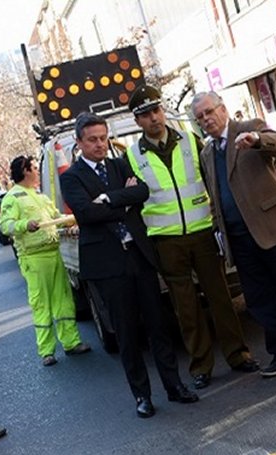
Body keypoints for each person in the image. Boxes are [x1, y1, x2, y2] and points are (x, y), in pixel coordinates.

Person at [59, 113, 199, 418]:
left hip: (139, 255)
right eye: (93, 139)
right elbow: (85, 214)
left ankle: (174, 386)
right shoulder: (71, 177)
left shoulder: (119, 165)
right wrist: (123, 202)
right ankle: (142, 395)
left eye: (103, 137)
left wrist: (108, 197)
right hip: (108, 264)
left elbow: (142, 192)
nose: (100, 144)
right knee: (127, 333)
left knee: (158, 326)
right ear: (79, 142)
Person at [124, 84, 260, 390]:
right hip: (166, 240)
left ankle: (237, 354)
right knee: (185, 306)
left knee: (220, 296)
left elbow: (213, 178)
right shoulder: (132, 157)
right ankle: (201, 365)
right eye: (145, 115)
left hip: (201, 232)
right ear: (138, 122)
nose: (154, 118)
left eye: (156, 111)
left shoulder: (190, 140)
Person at [190, 91, 276, 377]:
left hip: (271, 227)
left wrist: (258, 141)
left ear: (222, 109)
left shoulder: (249, 128)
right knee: (259, 300)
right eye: (200, 117)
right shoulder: (206, 151)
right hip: (238, 238)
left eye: (209, 112)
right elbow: (214, 193)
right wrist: (218, 228)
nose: (206, 119)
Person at [0, 155, 92, 366]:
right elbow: (6, 225)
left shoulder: (39, 196)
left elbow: (55, 216)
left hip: (53, 253)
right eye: (34, 168)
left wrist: (70, 221)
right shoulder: (12, 198)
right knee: (42, 304)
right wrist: (24, 225)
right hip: (34, 258)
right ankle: (47, 351)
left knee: (63, 300)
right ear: (25, 171)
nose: (37, 172)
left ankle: (71, 342)